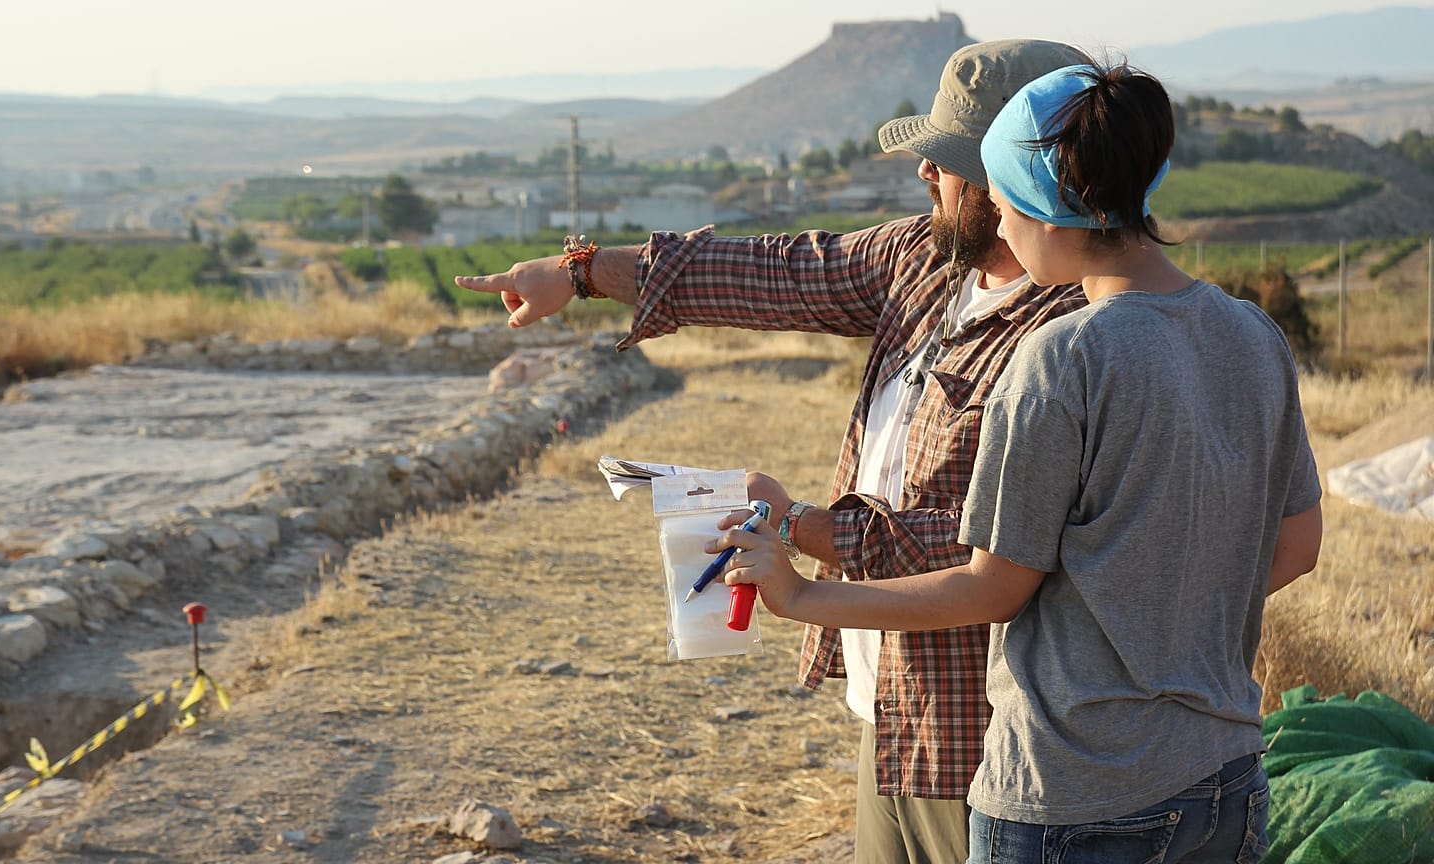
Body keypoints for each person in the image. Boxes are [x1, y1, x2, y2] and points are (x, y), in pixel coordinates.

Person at [457, 39, 1093, 864]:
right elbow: (777, 271)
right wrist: (581, 273)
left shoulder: (1077, 328)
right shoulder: (926, 259)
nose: (923, 176)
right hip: (893, 707)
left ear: (1010, 172)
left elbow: (1018, 550)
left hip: (990, 731)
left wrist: (807, 530)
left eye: (944, 161)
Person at [716, 62, 1324, 864]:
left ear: (1053, 208)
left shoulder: (1058, 359)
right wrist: (1157, 621)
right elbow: (1295, 546)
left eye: (1003, 204)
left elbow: (992, 587)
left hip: (1071, 794)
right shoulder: (1253, 336)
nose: (997, 230)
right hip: (1224, 781)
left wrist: (797, 594)